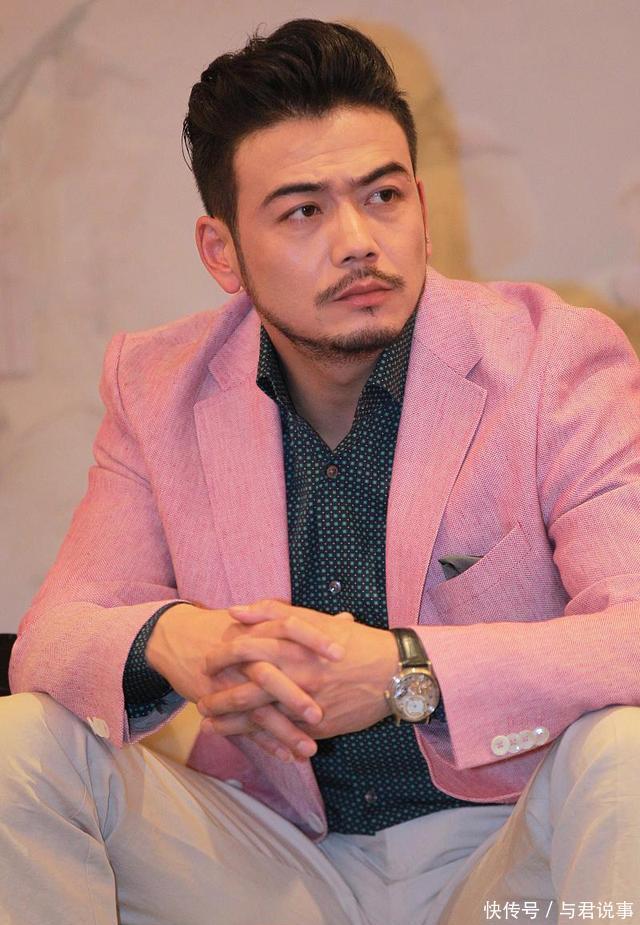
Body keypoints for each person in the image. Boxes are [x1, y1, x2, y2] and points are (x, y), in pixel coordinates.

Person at [3, 17, 640, 925]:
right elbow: (53, 636)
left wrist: (407, 670)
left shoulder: (554, 359)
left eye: (382, 196)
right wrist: (176, 641)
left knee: (627, 751)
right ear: (222, 251)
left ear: (422, 207)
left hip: (505, 859)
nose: (357, 240)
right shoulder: (158, 385)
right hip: (272, 864)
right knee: (21, 743)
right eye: (303, 210)